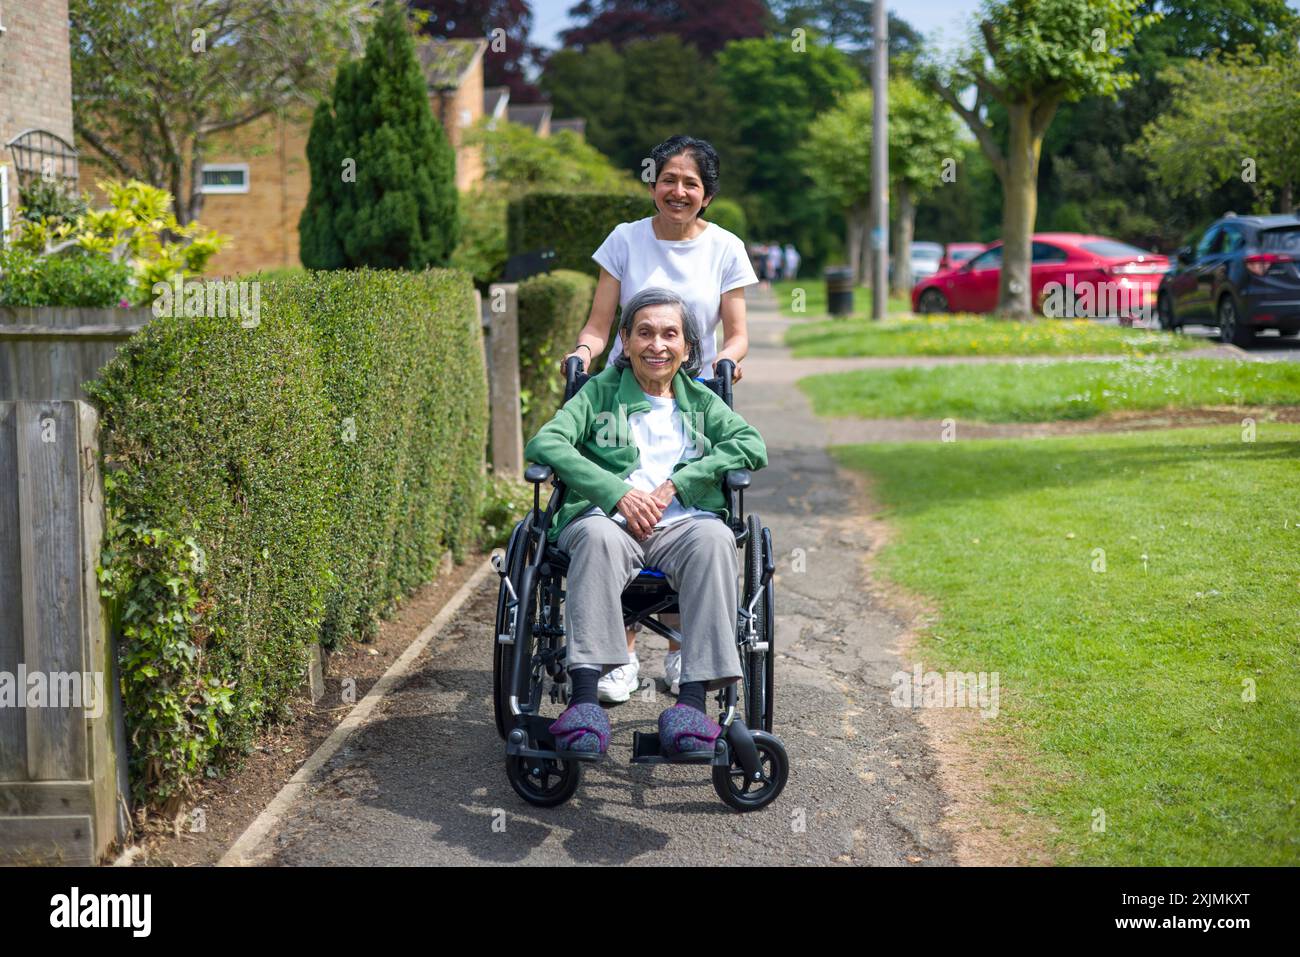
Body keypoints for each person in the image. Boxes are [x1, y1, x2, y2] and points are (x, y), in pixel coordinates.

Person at [526, 287, 768, 756]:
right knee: (595, 536)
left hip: (682, 526)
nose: (657, 344)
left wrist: (678, 483)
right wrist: (616, 493)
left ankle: (692, 709)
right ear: (625, 340)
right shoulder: (598, 392)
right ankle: (583, 705)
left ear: (687, 347)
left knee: (716, 537)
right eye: (645, 333)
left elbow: (751, 445)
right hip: (606, 521)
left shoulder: (699, 399)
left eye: (669, 334)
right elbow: (546, 444)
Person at [562, 134, 759, 703]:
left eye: (690, 183)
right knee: (620, 503)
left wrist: (726, 360)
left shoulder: (725, 247)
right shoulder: (624, 240)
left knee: (685, 514)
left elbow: (739, 332)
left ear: (707, 194)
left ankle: (681, 652)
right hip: (622, 394)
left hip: (693, 391)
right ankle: (617, 656)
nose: (678, 191)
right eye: (668, 179)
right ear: (653, 183)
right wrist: (582, 355)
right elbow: (600, 324)